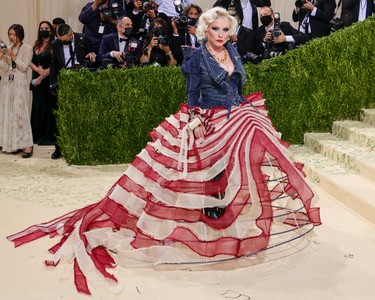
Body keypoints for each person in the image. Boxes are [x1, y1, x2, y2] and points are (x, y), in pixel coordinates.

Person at [7, 7, 321, 296]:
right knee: (198, 166)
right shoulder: (197, 58)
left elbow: (237, 86)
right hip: (205, 116)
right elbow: (193, 92)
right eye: (216, 29)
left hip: (234, 113)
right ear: (205, 31)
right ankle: (205, 209)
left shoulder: (234, 52)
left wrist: (240, 105)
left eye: (226, 29)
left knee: (243, 144)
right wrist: (197, 117)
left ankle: (224, 205)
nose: (222, 34)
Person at [49, 24, 96, 159]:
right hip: (63, 81)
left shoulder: (83, 38)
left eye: (66, 39)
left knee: (81, 114)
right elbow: (54, 64)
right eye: (60, 40)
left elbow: (93, 53)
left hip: (81, 80)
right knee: (60, 116)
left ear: (71, 34)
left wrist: (91, 55)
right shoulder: (55, 44)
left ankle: (83, 147)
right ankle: (58, 148)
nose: (63, 42)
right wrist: (52, 85)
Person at [0, 24, 34, 158]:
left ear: (20, 34)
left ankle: (27, 145)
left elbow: (24, 67)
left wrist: (12, 56)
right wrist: (1, 57)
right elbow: (5, 68)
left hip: (20, 84)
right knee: (9, 112)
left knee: (21, 113)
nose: (11, 37)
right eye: (9, 34)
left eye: (14, 34)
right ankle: (13, 144)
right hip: (7, 84)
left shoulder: (27, 48)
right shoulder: (8, 48)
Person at [29, 21, 56, 145]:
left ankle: (47, 136)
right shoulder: (36, 44)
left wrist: (42, 75)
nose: (43, 30)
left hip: (47, 79)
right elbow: (29, 60)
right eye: (41, 28)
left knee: (47, 106)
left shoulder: (54, 44)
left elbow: (55, 64)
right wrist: (37, 71)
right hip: (36, 78)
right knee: (37, 105)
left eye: (46, 28)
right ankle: (36, 134)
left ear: (50, 30)